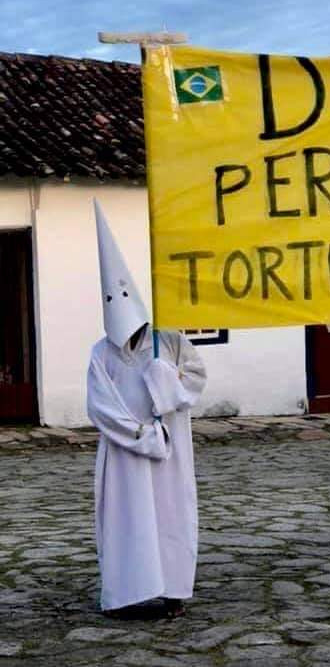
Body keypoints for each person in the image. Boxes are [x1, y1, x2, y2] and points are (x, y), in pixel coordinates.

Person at [87, 200, 207, 617]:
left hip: (170, 450)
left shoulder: (169, 342)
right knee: (127, 520)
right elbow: (101, 407)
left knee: (170, 514)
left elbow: (195, 379)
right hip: (127, 454)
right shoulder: (102, 354)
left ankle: (173, 591)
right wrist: (142, 436)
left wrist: (166, 384)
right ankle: (125, 593)